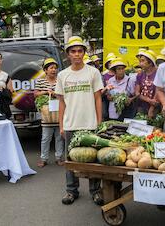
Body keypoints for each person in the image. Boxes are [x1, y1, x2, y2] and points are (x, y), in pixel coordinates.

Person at [55, 36, 103, 205]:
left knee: (93, 160)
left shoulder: (93, 72)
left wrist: (99, 123)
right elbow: (61, 102)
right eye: (73, 51)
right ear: (68, 54)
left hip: (90, 124)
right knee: (70, 161)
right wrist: (61, 125)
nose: (76, 54)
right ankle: (71, 191)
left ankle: (96, 191)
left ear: (84, 53)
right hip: (70, 124)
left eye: (80, 51)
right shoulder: (62, 75)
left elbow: (98, 98)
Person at [34, 58, 64, 168]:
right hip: (47, 116)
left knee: (59, 137)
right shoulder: (41, 81)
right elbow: (36, 94)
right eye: (51, 68)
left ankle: (59, 157)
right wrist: (46, 92)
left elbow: (64, 95)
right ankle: (44, 159)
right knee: (46, 138)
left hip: (58, 114)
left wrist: (57, 94)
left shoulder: (60, 81)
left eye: (55, 68)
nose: (54, 70)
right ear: (45, 70)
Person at [135, 49, 159, 117]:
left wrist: (151, 108)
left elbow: (159, 91)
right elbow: (137, 93)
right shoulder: (140, 75)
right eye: (140, 61)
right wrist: (148, 100)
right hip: (141, 107)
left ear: (150, 62)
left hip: (156, 107)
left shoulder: (158, 74)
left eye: (143, 61)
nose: (140, 64)